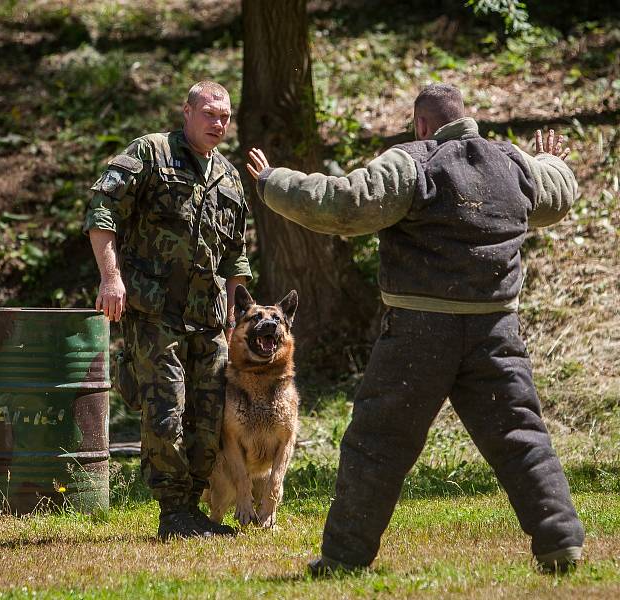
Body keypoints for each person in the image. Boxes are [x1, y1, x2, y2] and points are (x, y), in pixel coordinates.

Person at [246, 83, 585, 573]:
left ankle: (343, 559)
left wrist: (274, 182)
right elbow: (557, 193)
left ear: (422, 124)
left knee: (377, 444)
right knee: (521, 436)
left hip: (419, 335)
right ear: (464, 118)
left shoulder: (414, 161)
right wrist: (553, 163)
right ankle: (561, 543)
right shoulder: (512, 165)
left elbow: (345, 204)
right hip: (496, 330)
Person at [85, 81, 251, 540]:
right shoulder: (151, 154)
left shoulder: (231, 178)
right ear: (187, 112)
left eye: (225, 116)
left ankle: (192, 507)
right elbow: (102, 209)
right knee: (165, 413)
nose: (218, 123)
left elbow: (236, 255)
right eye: (210, 114)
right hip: (157, 314)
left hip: (210, 319)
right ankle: (173, 512)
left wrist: (236, 314)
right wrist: (111, 278)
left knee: (209, 415)